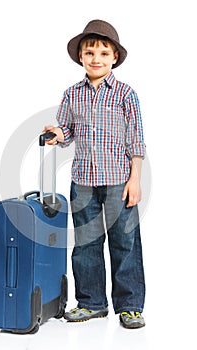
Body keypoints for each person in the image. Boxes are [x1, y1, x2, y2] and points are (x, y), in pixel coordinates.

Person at [44, 19, 146, 329]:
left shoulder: (126, 94)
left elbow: (136, 140)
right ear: (80, 57)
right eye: (90, 53)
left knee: (125, 242)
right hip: (83, 182)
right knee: (87, 243)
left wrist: (135, 179)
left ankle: (129, 305)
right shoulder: (71, 94)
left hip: (119, 181)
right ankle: (91, 302)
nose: (96, 58)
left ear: (115, 57)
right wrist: (58, 134)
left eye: (103, 52)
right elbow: (68, 130)